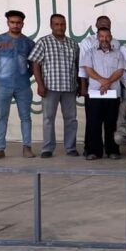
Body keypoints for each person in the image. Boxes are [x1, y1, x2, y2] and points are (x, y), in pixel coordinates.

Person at [28, 13, 80, 158]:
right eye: (56, 24)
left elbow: (77, 66)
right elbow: (35, 64)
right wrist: (40, 85)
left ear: (66, 25)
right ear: (51, 25)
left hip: (69, 88)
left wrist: (79, 84)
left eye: (62, 24)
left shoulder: (73, 44)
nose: (60, 27)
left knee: (71, 119)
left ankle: (70, 148)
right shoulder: (43, 42)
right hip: (50, 88)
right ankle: (47, 148)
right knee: (48, 119)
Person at [0, 10, 35, 160]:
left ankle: (27, 148)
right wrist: (0, 77)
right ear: (8, 23)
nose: (15, 25)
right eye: (12, 22)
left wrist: (25, 76)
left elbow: (33, 65)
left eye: (18, 22)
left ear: (22, 24)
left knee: (25, 117)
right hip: (3, 86)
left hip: (23, 86)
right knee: (1, 116)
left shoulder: (29, 43)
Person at [81, 27, 125, 160]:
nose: (104, 39)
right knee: (94, 123)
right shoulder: (90, 52)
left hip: (113, 94)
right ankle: (94, 151)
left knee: (111, 123)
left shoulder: (118, 53)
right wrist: (102, 81)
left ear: (111, 37)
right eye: (101, 36)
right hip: (95, 93)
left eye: (107, 36)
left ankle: (112, 150)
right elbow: (88, 70)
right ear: (98, 38)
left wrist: (107, 82)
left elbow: (120, 71)